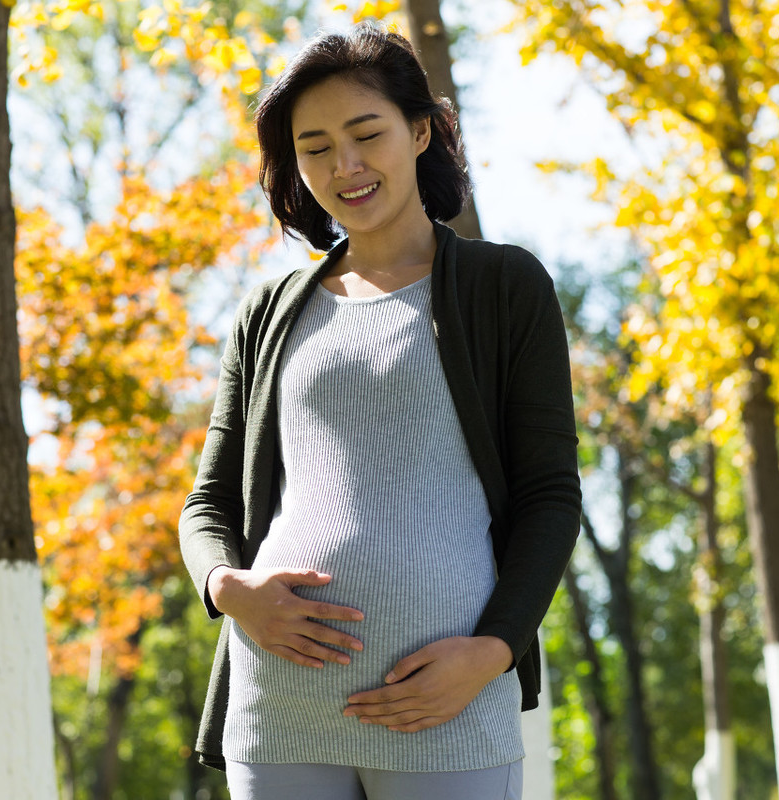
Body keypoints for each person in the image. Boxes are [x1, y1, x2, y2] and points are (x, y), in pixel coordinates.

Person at [179, 21, 581, 800]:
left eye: (367, 134)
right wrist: (230, 592)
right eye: (316, 146)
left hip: (446, 706)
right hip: (279, 711)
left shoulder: (504, 287)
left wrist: (492, 652)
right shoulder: (270, 310)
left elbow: (550, 496)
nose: (346, 165)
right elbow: (208, 503)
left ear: (422, 130)